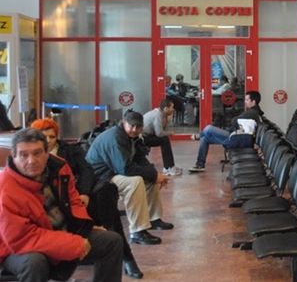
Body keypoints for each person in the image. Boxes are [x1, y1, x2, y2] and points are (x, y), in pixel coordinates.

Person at [0, 128, 123, 282]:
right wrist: (72, 244)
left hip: (58, 231)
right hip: (12, 247)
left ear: (47, 153)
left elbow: (73, 201)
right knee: (34, 262)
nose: (31, 160)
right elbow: (21, 238)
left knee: (111, 241)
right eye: (24, 155)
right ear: (13, 156)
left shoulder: (59, 167)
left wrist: (84, 226)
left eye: (37, 153)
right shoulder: (5, 187)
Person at [30, 118, 143, 279]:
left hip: (80, 196)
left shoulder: (70, 151)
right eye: (43, 137)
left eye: (52, 136)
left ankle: (127, 257)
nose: (48, 140)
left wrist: (84, 193)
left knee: (107, 202)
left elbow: (87, 171)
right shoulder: (30, 162)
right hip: (57, 207)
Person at [85, 110, 174, 246]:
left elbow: (140, 159)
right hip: (100, 177)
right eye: (132, 126)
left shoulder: (133, 137)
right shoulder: (116, 138)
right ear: (124, 123)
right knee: (135, 182)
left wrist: (155, 175)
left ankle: (153, 219)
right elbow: (125, 169)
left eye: (138, 127)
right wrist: (154, 175)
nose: (134, 129)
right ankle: (137, 232)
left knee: (150, 179)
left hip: (113, 172)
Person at [189, 90, 264, 173]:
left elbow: (234, 120)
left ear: (253, 102)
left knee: (208, 128)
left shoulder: (252, 113)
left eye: (247, 100)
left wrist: (235, 121)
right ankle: (200, 165)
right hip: (236, 135)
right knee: (204, 139)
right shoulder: (254, 112)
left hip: (235, 137)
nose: (245, 102)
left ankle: (199, 136)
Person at [143, 97, 182, 176]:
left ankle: (170, 166)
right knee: (164, 140)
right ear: (166, 108)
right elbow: (159, 133)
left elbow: (161, 130)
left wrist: (168, 120)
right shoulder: (157, 115)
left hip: (148, 135)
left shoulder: (162, 114)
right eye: (172, 107)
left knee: (164, 139)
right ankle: (168, 168)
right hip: (142, 138)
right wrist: (170, 133)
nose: (173, 109)